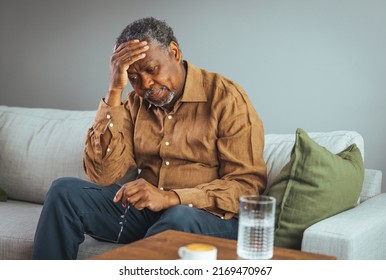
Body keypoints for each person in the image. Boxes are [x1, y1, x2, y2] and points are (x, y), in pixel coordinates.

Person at [32, 17, 267, 260]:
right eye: (133, 77)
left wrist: (171, 198)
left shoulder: (226, 97)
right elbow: (102, 175)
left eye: (151, 69)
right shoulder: (135, 102)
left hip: (207, 218)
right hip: (148, 214)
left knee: (178, 215)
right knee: (64, 191)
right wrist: (114, 90)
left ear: (174, 52)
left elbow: (246, 188)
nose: (145, 84)